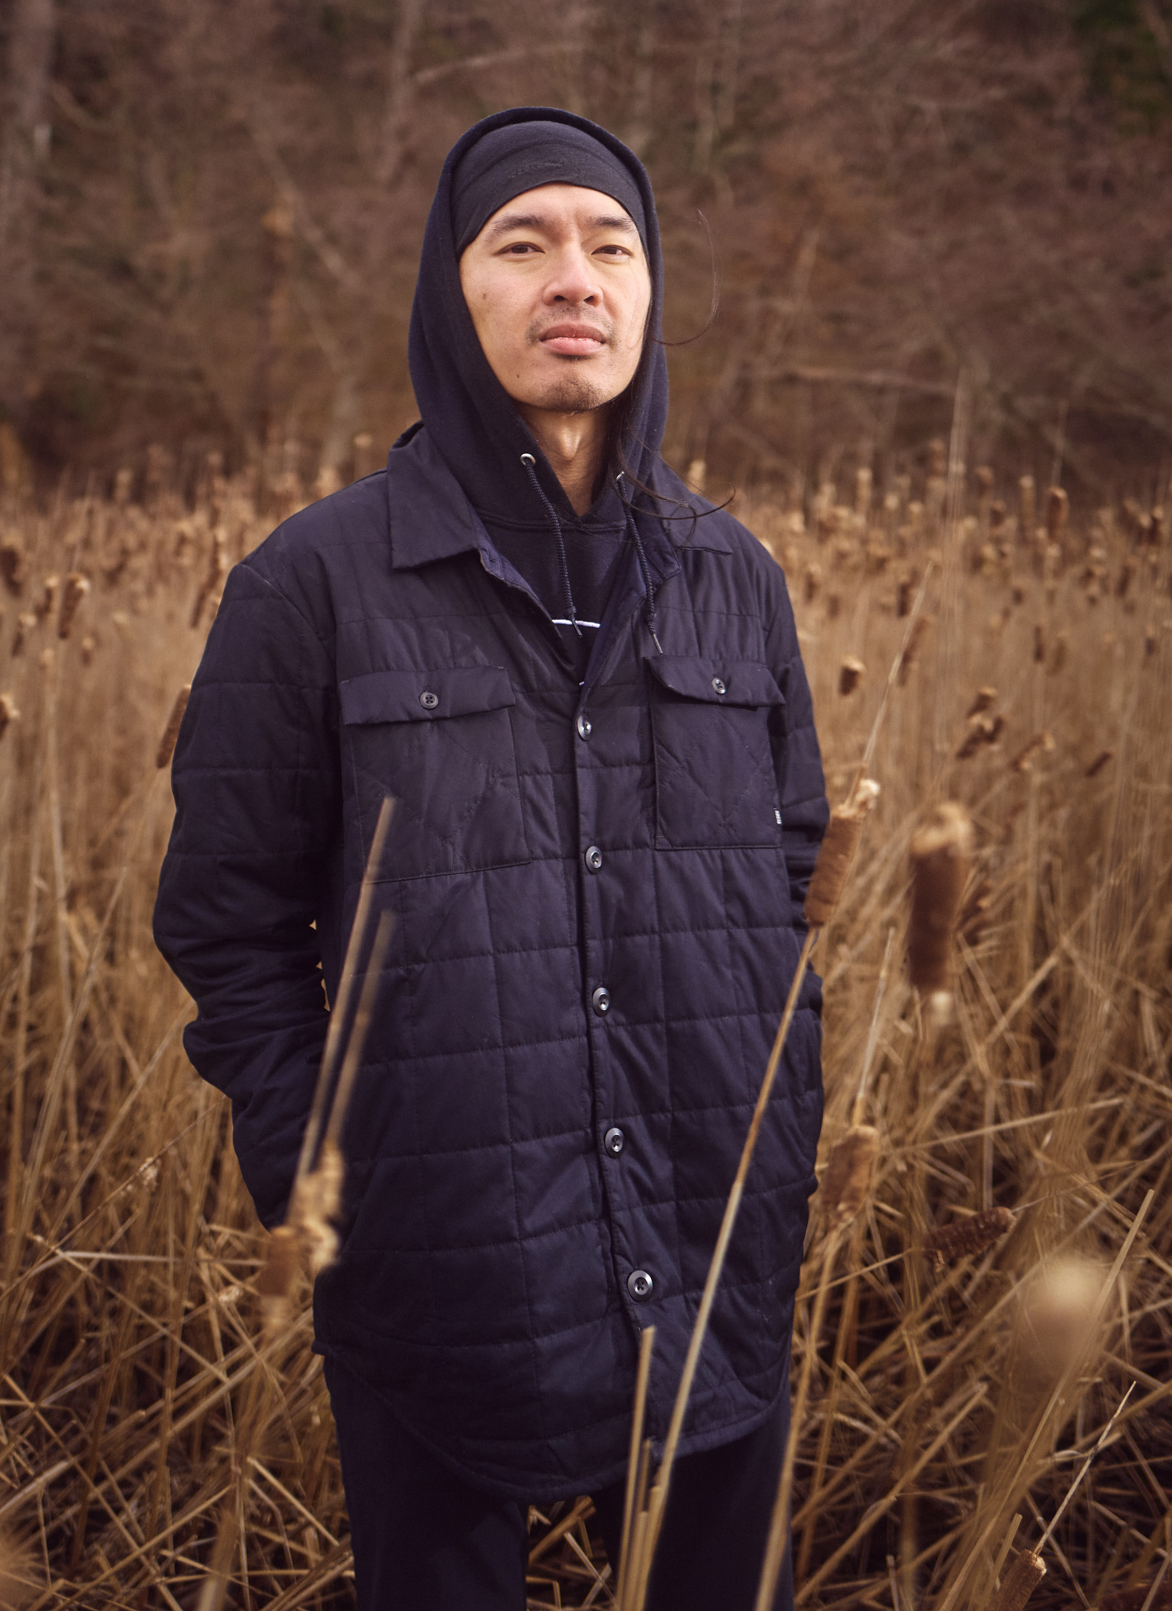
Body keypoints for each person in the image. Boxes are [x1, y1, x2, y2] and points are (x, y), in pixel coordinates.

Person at [153, 108, 829, 1611]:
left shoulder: (736, 579)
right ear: (451, 297)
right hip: (433, 1260)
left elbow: (792, 867)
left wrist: (784, 1119)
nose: (572, 279)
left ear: (651, 296)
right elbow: (227, 923)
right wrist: (329, 1171)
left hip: (713, 1228)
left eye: (611, 246)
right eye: (520, 244)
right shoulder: (311, 585)